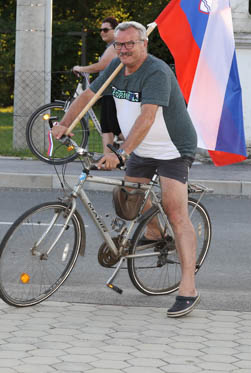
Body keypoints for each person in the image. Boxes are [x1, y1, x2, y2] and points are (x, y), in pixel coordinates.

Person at [52, 21, 201, 318]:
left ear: (144, 44)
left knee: (175, 211)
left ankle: (188, 288)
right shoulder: (116, 68)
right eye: (119, 44)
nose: (124, 49)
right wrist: (65, 123)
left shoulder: (156, 72)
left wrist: (121, 153)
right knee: (127, 198)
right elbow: (88, 96)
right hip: (142, 148)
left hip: (172, 149)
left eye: (130, 43)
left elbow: (147, 117)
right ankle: (155, 233)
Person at [72, 17, 122, 151]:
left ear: (115, 30)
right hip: (107, 91)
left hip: (113, 91)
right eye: (100, 30)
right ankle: (108, 157)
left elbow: (102, 65)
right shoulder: (110, 47)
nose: (102, 32)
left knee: (116, 128)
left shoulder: (115, 46)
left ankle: (139, 151)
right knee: (106, 128)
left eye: (105, 29)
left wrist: (81, 68)